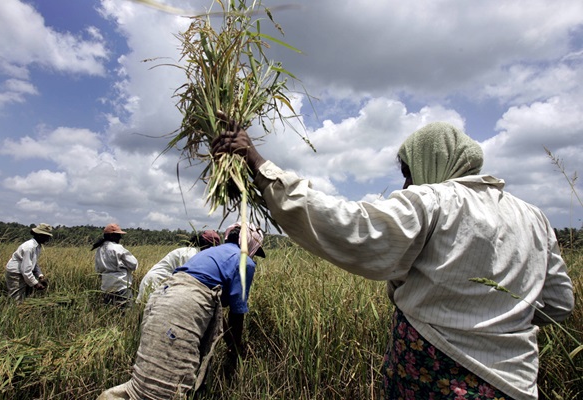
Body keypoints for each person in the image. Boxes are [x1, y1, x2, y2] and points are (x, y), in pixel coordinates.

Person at [211, 119, 574, 400]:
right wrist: (498, 320)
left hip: (437, 378)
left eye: (407, 173)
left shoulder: (434, 201)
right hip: (516, 384)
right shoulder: (534, 217)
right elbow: (558, 303)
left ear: (430, 162)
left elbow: (351, 227)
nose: (405, 186)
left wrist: (259, 164)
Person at [97, 222, 265, 400]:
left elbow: (212, 302)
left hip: (161, 297)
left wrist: (227, 340)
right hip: (183, 306)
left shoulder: (208, 253)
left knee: (144, 382)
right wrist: (235, 351)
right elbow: (237, 313)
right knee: (168, 392)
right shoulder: (245, 261)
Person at [136, 229, 221, 303]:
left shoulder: (193, 253)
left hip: (162, 285)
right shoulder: (191, 254)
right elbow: (190, 279)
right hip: (156, 283)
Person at [92, 223, 138, 307]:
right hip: (121, 286)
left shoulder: (99, 250)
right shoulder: (117, 248)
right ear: (112, 236)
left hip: (106, 287)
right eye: (118, 235)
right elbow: (133, 264)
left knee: (110, 313)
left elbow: (98, 270)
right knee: (126, 313)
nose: (120, 237)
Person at [5, 223, 52, 301]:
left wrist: (40, 275)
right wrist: (36, 284)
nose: (47, 240)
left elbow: (34, 263)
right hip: (15, 273)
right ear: (39, 236)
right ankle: (14, 311)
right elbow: (26, 270)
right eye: (46, 237)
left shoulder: (37, 246)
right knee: (17, 298)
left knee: (25, 295)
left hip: (22, 272)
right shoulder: (29, 247)